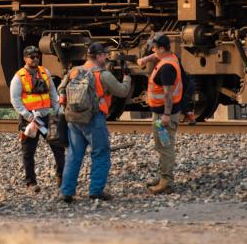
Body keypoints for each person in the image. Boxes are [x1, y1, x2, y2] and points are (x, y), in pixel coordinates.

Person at [57, 42, 131, 203]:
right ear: (98, 56)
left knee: (73, 155)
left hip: (74, 119)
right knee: (100, 154)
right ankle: (96, 191)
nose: (107, 57)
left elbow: (61, 89)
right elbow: (122, 91)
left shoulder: (74, 71)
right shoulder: (103, 75)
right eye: (105, 54)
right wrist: (127, 77)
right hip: (94, 118)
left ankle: (66, 192)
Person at [9, 45, 65, 191]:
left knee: (58, 147)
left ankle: (62, 177)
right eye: (32, 57)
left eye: (36, 56)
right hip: (30, 120)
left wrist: (58, 110)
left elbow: (53, 92)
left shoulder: (45, 72)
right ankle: (31, 183)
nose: (35, 59)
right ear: (25, 59)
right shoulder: (18, 77)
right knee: (28, 152)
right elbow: (15, 100)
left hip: (47, 117)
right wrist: (28, 116)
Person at [136, 33, 183, 194]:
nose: (153, 51)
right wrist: (146, 59)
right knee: (161, 144)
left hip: (163, 116)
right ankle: (163, 176)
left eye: (155, 49)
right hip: (160, 115)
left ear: (162, 49)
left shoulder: (167, 69)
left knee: (165, 146)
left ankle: (166, 181)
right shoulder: (171, 57)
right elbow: (157, 54)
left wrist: (166, 115)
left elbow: (168, 94)